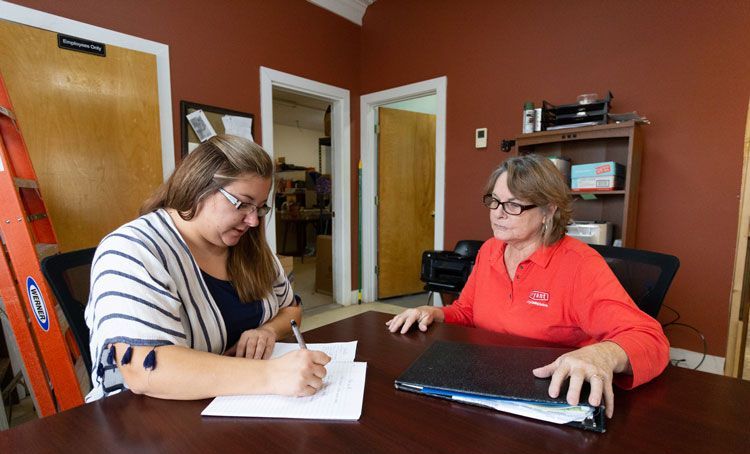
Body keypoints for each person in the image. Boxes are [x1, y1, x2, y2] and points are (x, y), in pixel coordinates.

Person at [386, 154, 669, 418]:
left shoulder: (580, 264)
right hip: (489, 382)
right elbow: (468, 311)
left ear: (549, 210)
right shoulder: (490, 250)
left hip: (549, 394)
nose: (498, 214)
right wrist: (435, 313)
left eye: (514, 205)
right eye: (494, 201)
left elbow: (650, 339)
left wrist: (604, 354)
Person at [85, 134, 330, 402]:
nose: (253, 221)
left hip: (230, 403)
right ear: (197, 187)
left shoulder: (250, 246)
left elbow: (291, 310)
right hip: (146, 416)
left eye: (259, 208)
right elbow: (146, 369)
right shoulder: (133, 249)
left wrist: (267, 331)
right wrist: (271, 375)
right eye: (242, 203)